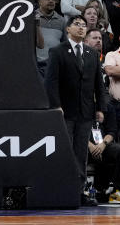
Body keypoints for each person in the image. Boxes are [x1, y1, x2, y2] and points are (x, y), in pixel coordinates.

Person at [45, 15, 108, 206]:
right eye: (77, 24)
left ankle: (79, 191)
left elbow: (99, 84)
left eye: (83, 25)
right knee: (65, 150)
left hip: (86, 111)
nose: (81, 28)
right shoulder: (57, 51)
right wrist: (56, 105)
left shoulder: (91, 53)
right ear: (67, 29)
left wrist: (101, 108)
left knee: (81, 153)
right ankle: (61, 189)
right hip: (65, 110)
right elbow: (51, 81)